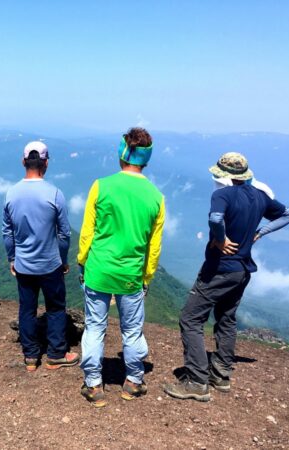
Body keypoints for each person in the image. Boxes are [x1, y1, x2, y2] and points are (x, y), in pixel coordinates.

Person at [163, 152, 289, 402]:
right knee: (226, 318)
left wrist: (220, 239)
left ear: (223, 175)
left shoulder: (221, 194)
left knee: (190, 319)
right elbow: (288, 215)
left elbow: (215, 218)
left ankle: (197, 381)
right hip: (242, 270)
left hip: (220, 269)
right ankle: (221, 375)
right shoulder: (260, 196)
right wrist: (260, 233)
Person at [78, 127, 165, 407]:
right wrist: (147, 277)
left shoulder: (100, 186)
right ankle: (133, 382)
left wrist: (82, 261)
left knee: (94, 327)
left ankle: (94, 385)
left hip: (98, 269)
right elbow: (154, 246)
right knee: (132, 330)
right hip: (132, 275)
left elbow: (87, 233)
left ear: (121, 153)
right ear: (146, 159)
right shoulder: (156, 197)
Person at [2, 141, 79, 372]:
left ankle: (31, 357)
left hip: (24, 265)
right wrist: (63, 259)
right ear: (46, 163)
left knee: (27, 309)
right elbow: (64, 233)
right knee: (55, 308)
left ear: (23, 161)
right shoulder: (54, 194)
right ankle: (56, 354)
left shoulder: (11, 194)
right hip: (50, 264)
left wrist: (12, 258)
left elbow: (7, 233)